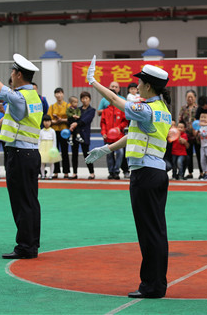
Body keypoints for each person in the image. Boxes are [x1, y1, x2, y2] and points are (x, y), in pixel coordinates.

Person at [85, 57, 171, 299]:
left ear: (149, 86)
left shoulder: (147, 109)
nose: (137, 85)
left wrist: (93, 81)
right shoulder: (162, 110)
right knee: (156, 230)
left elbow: (114, 100)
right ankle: (156, 283)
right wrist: (107, 149)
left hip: (145, 174)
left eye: (140, 81)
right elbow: (133, 135)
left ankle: (152, 285)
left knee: (149, 232)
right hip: (154, 173)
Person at [0, 39, 42, 260]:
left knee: (22, 202)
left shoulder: (19, 96)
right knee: (30, 200)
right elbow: (10, 118)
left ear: (19, 74)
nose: (10, 75)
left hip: (20, 155)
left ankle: (25, 247)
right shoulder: (32, 97)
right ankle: (31, 243)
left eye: (12, 71)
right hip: (29, 154)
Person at [98, 81, 130, 178]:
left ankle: (116, 171)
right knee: (109, 155)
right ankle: (111, 172)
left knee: (120, 153)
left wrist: (119, 128)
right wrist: (103, 133)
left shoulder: (121, 109)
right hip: (108, 137)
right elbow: (102, 123)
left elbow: (125, 121)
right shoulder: (105, 110)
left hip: (119, 136)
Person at [68, 91, 96, 180]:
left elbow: (86, 120)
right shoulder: (77, 109)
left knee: (86, 154)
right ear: (81, 100)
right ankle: (74, 173)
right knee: (74, 154)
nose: (84, 100)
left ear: (90, 99)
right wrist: (72, 124)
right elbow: (71, 117)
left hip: (84, 134)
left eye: (86, 98)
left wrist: (76, 123)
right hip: (75, 134)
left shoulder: (92, 110)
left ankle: (92, 173)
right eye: (83, 98)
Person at [178, 90, 202, 179]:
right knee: (188, 154)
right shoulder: (183, 108)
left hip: (197, 134)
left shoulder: (199, 108)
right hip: (187, 135)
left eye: (192, 97)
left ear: (195, 98)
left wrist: (198, 130)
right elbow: (180, 120)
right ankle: (190, 172)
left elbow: (202, 120)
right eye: (188, 97)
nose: (190, 99)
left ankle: (202, 172)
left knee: (199, 154)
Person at [48, 87, 70, 179]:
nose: (59, 95)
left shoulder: (68, 106)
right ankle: (55, 171)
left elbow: (70, 119)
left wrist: (62, 120)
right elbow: (48, 119)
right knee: (55, 152)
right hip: (55, 131)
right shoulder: (52, 106)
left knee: (65, 152)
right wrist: (55, 121)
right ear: (55, 95)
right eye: (57, 93)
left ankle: (66, 172)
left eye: (60, 93)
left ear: (63, 94)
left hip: (64, 132)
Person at [38, 114, 57, 179]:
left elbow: (54, 140)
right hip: (43, 147)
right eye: (45, 121)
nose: (47, 123)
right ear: (43, 122)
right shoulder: (41, 131)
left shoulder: (52, 131)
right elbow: (39, 140)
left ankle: (51, 175)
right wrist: (38, 148)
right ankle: (42, 175)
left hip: (50, 146)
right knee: (42, 162)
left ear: (51, 122)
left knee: (51, 162)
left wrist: (54, 148)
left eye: (48, 121)